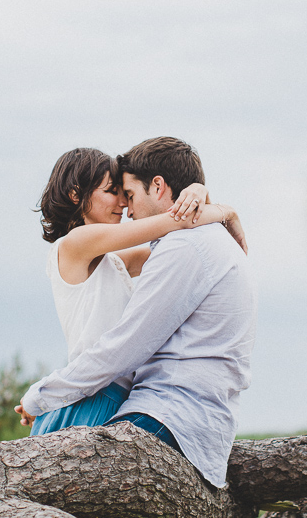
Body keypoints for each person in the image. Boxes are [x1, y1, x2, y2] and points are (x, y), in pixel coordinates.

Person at [17, 137, 256, 488]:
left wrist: (202, 200)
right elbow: (173, 223)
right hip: (89, 394)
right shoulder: (74, 245)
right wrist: (224, 210)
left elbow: (173, 240)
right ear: (76, 195)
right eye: (112, 191)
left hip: (111, 393)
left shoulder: (113, 261)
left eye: (125, 193)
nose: (123, 204)